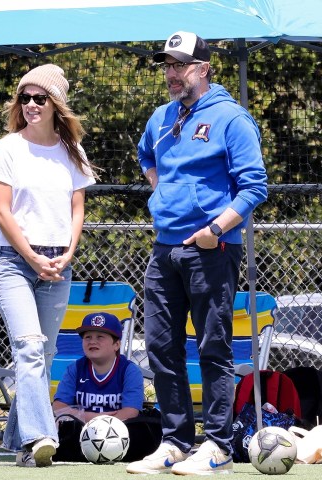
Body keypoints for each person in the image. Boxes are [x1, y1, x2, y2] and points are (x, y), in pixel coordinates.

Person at [126, 31, 267, 476]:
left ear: (203, 69)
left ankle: (219, 445)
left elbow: (255, 186)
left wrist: (213, 231)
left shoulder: (232, 118)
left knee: (213, 348)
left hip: (210, 252)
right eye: (167, 66)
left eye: (180, 65)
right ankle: (175, 443)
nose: (171, 74)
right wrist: (162, 191)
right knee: (161, 348)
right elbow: (144, 153)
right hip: (162, 250)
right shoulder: (161, 117)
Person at [0, 64, 96, 468]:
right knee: (28, 348)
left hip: (58, 261)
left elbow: (77, 210)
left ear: (55, 104)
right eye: (24, 98)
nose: (30, 104)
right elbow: (1, 212)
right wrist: (31, 256)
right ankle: (41, 436)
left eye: (39, 98)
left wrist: (67, 254)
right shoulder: (8, 148)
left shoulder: (72, 152)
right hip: (14, 262)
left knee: (40, 360)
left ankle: (22, 443)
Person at [52, 311, 162, 462]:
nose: (92, 341)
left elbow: (130, 412)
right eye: (87, 337)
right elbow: (59, 407)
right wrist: (95, 419)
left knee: (142, 432)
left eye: (100, 337)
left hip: (119, 431)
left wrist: (85, 417)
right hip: (83, 430)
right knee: (61, 431)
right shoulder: (75, 369)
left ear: (116, 344)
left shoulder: (129, 370)